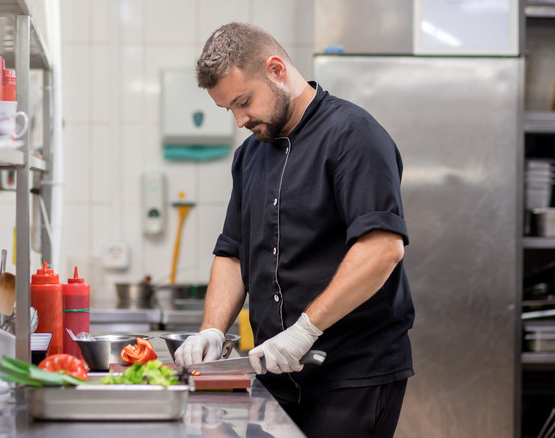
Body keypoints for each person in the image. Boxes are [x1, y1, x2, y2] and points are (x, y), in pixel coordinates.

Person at [174, 22, 415, 438]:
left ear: (276, 69)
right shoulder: (250, 155)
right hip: (276, 375)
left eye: (244, 101)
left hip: (353, 374)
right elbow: (232, 252)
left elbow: (382, 249)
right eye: (228, 109)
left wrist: (304, 331)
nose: (239, 120)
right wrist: (212, 330)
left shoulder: (353, 135)